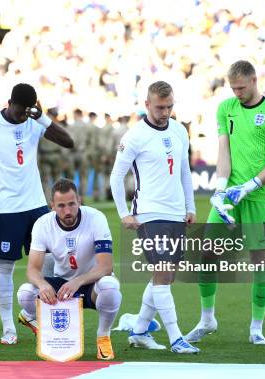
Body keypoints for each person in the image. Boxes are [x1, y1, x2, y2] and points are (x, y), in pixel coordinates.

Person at [0, 83, 74, 345]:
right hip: (6, 207)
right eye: (20, 110)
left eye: (27, 110)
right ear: (9, 102)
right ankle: (8, 328)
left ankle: (35, 315)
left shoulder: (33, 121)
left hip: (37, 204)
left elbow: (68, 142)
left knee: (51, 261)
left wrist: (41, 117)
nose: (22, 115)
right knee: (6, 266)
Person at [185, 60, 265, 345]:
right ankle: (207, 318)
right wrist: (221, 187)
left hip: (259, 194)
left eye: (241, 87)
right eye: (233, 88)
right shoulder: (226, 108)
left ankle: (256, 328)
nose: (237, 92)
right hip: (230, 196)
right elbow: (223, 151)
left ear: (253, 81)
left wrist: (250, 186)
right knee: (208, 253)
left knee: (259, 261)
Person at [109, 81, 198, 354]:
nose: (166, 112)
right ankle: (176, 338)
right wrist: (125, 213)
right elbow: (115, 176)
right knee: (161, 273)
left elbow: (184, 171)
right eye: (160, 107)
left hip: (175, 213)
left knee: (166, 277)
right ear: (147, 104)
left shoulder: (180, 130)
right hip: (149, 213)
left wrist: (190, 206)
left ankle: (138, 332)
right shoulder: (134, 136)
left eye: (170, 106)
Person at [17, 179, 121, 360]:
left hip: (91, 283)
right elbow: (32, 270)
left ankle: (103, 337)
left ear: (79, 201)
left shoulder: (96, 218)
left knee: (111, 287)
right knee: (25, 293)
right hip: (62, 284)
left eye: (72, 204)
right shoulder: (43, 224)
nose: (67, 211)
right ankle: (42, 324)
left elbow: (105, 266)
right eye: (61, 206)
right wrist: (42, 284)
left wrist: (78, 281)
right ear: (52, 206)